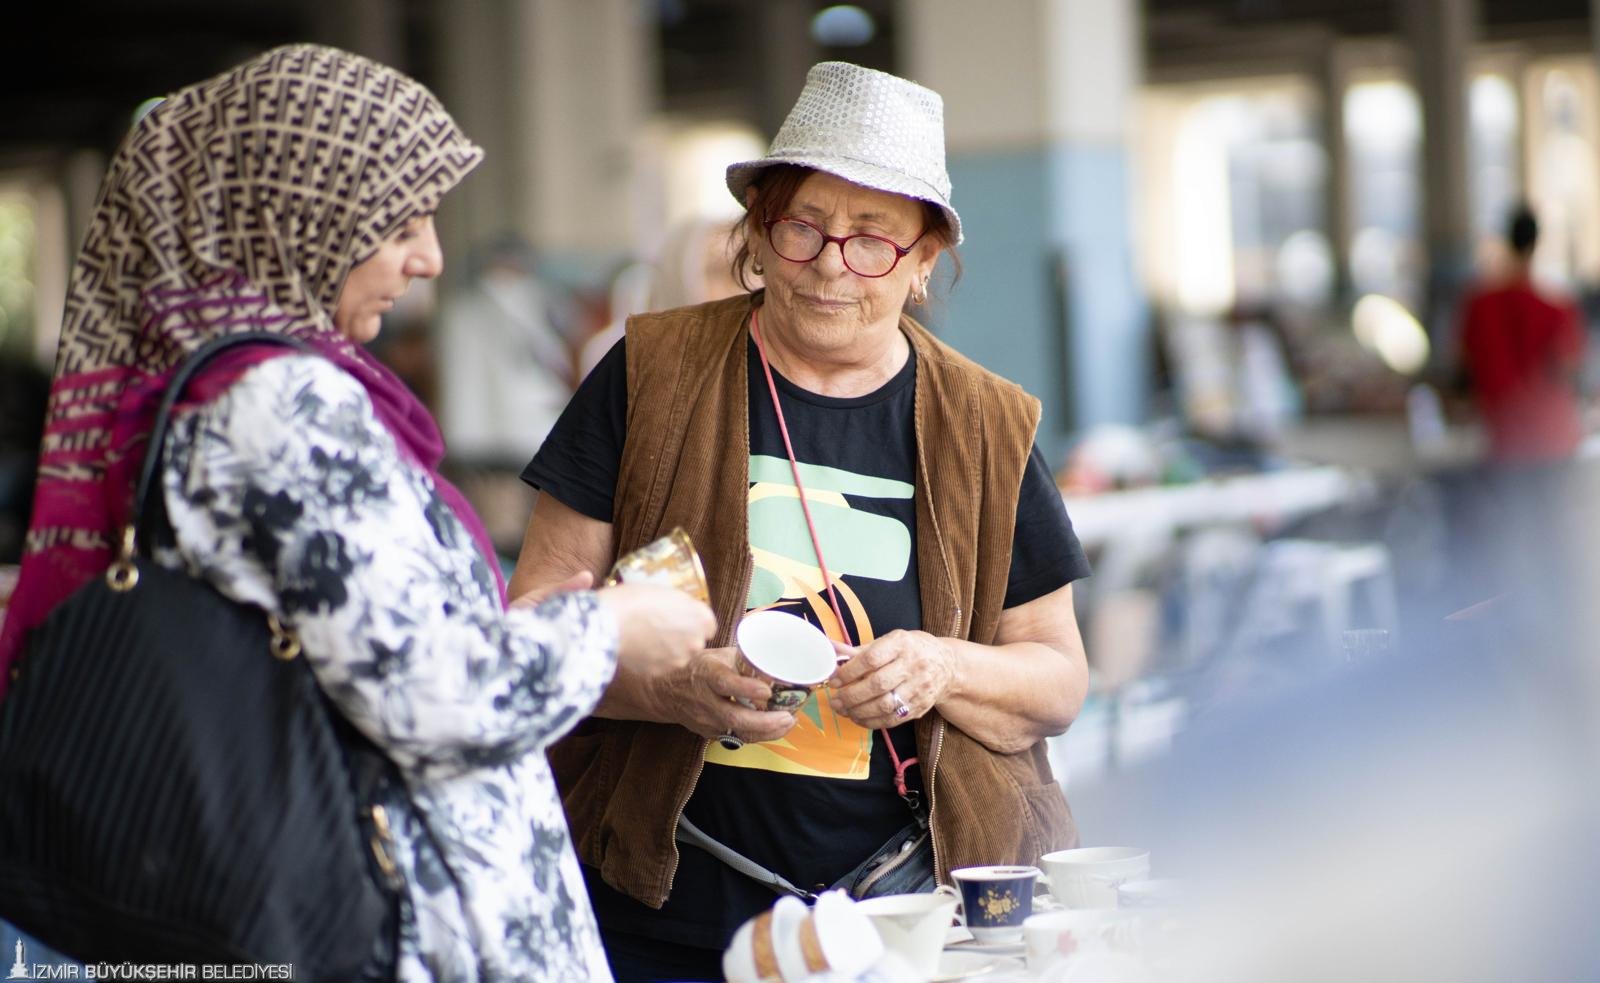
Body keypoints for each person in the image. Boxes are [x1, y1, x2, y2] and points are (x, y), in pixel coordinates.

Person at [0, 45, 715, 981]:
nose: (430, 257)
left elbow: (359, 649)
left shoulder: (232, 388)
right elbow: (433, 697)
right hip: (415, 931)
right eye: (398, 224)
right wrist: (611, 630)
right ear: (292, 219)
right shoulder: (281, 403)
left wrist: (515, 629)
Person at [511, 61, 1092, 981]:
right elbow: (532, 623)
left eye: (872, 240)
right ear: (758, 229)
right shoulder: (649, 374)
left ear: (924, 262)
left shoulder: (988, 425)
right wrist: (670, 689)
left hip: (903, 915)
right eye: (802, 227)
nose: (829, 264)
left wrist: (939, 666)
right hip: (658, 914)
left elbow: (1056, 679)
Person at [1459, 204, 1588, 464]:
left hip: (1504, 442)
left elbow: (1465, 369)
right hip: (1553, 441)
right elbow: (1569, 369)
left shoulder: (1479, 307)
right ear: (1537, 243)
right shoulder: (1557, 309)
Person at [576, 216, 751, 380]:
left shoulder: (752, 360)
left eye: (748, 263)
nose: (742, 284)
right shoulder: (623, 355)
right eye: (717, 271)